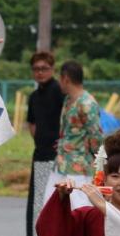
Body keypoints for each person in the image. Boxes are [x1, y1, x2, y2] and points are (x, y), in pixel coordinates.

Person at [42, 60, 102, 211]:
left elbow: (96, 136)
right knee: (50, 206)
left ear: (66, 79)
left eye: (60, 79)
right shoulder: (68, 100)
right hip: (61, 164)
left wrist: (96, 161)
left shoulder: (87, 103)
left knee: (79, 208)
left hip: (79, 167)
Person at [25, 50, 63, 236]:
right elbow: (31, 123)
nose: (40, 72)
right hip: (40, 153)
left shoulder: (59, 91)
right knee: (38, 202)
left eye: (44, 68)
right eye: (36, 69)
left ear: (52, 69)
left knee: (57, 200)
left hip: (59, 155)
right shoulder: (34, 96)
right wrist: (40, 139)